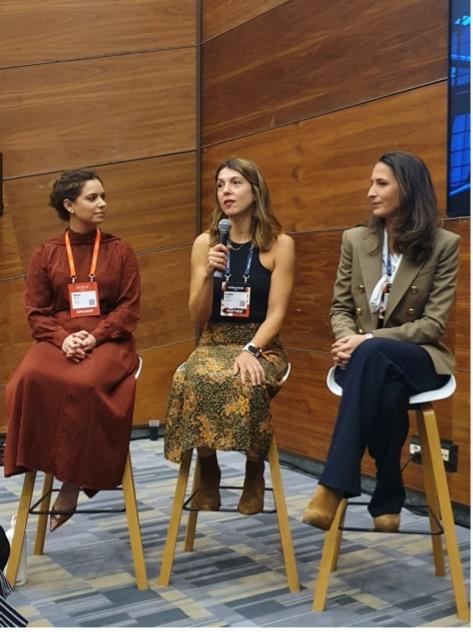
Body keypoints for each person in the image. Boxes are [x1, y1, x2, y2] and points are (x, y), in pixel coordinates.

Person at [303, 151, 459, 533]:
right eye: (371, 182)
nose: (370, 192)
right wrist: (347, 339)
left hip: (420, 359)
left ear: (408, 188)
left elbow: (432, 325)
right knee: (384, 390)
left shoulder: (443, 244)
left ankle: (333, 484)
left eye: (381, 183)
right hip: (368, 363)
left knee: (372, 354)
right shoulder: (356, 240)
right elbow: (340, 307)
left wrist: (365, 339)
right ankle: (389, 490)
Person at [4, 169, 140, 532]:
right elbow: (36, 312)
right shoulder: (46, 253)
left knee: (83, 387)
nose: (102, 204)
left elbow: (128, 308)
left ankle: (71, 485)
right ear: (69, 205)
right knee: (26, 380)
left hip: (109, 339)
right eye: (92, 198)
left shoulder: (119, 249)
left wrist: (94, 337)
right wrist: (64, 338)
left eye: (103, 196)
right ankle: (42, 463)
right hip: (59, 337)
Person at [164, 158, 295, 514]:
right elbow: (197, 315)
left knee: (246, 381)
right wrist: (207, 272)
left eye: (236, 183)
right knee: (189, 378)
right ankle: (208, 469)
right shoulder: (205, 243)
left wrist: (251, 349)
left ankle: (255, 471)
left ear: (255, 191)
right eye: (221, 185)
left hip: (261, 343)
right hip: (214, 340)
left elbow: (278, 314)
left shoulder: (280, 244)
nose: (227, 191)